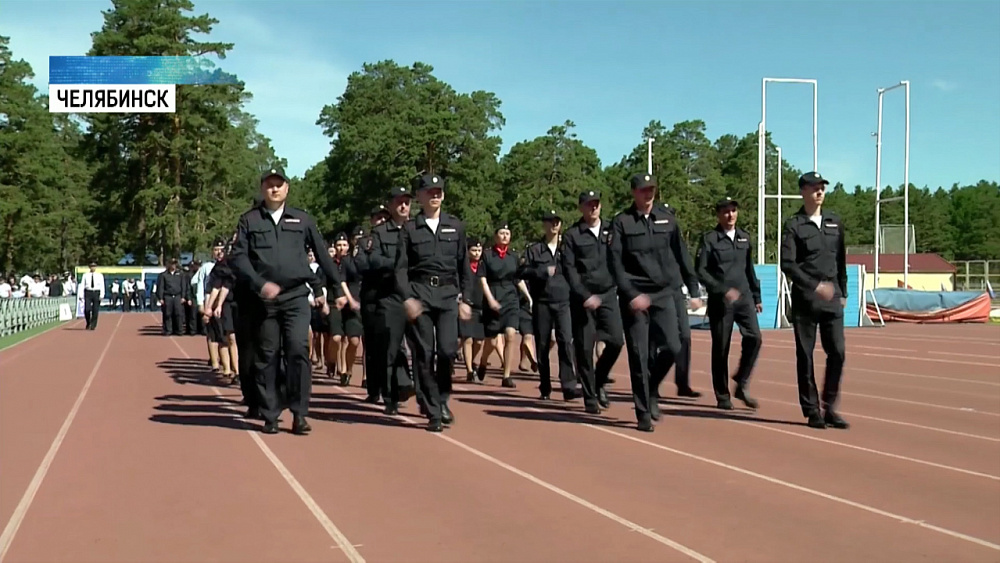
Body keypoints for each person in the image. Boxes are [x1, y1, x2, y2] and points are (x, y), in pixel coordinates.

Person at [229, 167, 346, 435]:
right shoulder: (249, 221)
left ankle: (299, 413)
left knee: (297, 351)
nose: (274, 189)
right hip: (265, 301)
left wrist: (336, 288)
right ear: (262, 189)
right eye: (269, 185)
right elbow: (239, 258)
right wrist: (260, 284)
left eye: (279, 184)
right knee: (267, 356)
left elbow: (323, 255)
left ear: (287, 188)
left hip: (295, 297)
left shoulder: (302, 220)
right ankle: (270, 413)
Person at [609, 173, 703, 432]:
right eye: (643, 190)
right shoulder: (621, 223)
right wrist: (630, 293)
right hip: (634, 298)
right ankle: (642, 413)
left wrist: (693, 288)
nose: (648, 194)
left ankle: (651, 390)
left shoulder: (667, 219)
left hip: (663, 295)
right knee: (639, 357)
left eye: (651, 189)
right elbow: (615, 264)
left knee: (674, 346)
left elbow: (681, 255)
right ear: (634, 193)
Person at [393, 173, 474, 432]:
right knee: (425, 353)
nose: (435, 195)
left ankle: (441, 398)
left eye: (439, 191)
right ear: (420, 197)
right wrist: (407, 298)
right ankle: (433, 410)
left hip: (449, 295)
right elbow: (400, 269)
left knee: (449, 351)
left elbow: (465, 266)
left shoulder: (455, 226)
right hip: (421, 294)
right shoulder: (410, 229)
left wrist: (467, 299)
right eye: (430, 192)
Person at [780, 172, 849, 430]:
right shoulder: (794, 225)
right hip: (806, 300)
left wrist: (843, 293)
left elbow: (841, 260)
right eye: (814, 188)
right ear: (802, 192)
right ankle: (812, 411)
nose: (819, 192)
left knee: (838, 352)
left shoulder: (834, 222)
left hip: (832, 299)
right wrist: (813, 285)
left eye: (822, 188)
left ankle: (829, 406)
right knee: (805, 356)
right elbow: (787, 264)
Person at [695, 197, 762, 410]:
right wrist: (722, 290)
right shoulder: (710, 239)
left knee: (755, 338)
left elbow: (749, 269)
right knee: (721, 349)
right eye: (725, 212)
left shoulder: (744, 238)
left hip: (745, 299)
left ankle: (741, 381)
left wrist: (757, 296)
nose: (730, 215)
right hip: (721, 303)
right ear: (718, 215)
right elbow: (701, 270)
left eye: (733, 211)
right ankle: (722, 395)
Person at [560, 190, 622, 414]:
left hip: (608, 294)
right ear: (581, 208)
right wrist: (585, 295)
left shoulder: (612, 231)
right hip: (583, 298)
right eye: (589, 204)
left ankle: (599, 379)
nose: (593, 208)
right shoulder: (573, 235)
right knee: (585, 349)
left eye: (596, 204)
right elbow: (570, 270)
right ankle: (589, 397)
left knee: (616, 341)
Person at [519, 210, 576, 401]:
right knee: (542, 345)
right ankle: (545, 385)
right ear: (544, 225)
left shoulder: (567, 248)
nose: (553, 225)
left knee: (566, 342)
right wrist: (541, 271)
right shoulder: (535, 249)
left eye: (557, 221)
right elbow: (522, 271)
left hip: (564, 302)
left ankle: (568, 385)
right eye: (550, 222)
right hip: (542, 302)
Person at [80, 262, 105, 330]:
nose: (93, 267)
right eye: (91, 266)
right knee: (87, 309)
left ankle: (93, 325)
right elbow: (82, 285)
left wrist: (102, 294)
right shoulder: (85, 275)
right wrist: (81, 294)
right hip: (88, 292)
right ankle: (88, 322)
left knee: (95, 310)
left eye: (94, 266)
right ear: (89, 267)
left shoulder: (99, 275)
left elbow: (102, 285)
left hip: (96, 292)